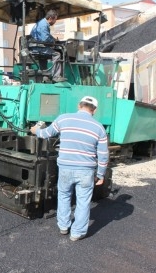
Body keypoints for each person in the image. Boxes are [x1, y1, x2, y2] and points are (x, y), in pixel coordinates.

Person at [30, 96, 109, 241]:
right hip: (86, 170)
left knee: (64, 196)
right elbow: (103, 155)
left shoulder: (63, 119)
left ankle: (64, 226)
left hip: (65, 167)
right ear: (95, 110)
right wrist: (101, 174)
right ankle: (77, 233)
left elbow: (45, 134)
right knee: (83, 201)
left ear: (79, 105)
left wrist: (35, 130)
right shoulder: (99, 127)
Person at [30, 9, 63, 81]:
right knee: (57, 54)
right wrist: (54, 43)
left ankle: (44, 76)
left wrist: (54, 39)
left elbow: (46, 36)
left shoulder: (41, 23)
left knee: (43, 57)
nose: (55, 22)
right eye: (55, 20)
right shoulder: (44, 25)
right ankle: (56, 77)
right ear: (50, 18)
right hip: (38, 47)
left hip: (35, 47)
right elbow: (45, 39)